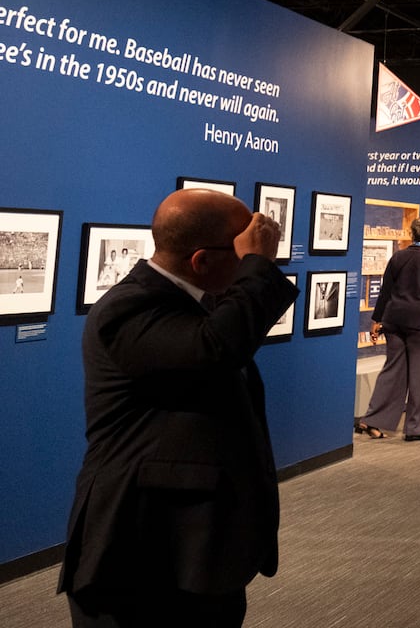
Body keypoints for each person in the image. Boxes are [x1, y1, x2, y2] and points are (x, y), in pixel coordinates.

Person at [58, 189, 295, 628]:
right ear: (202, 262)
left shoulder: (194, 304)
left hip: (194, 549)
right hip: (138, 551)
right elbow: (216, 350)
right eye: (241, 254)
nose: (247, 263)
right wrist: (259, 269)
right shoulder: (128, 308)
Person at [356, 217, 420, 441]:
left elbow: (385, 292)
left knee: (392, 372)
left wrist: (376, 320)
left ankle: (372, 420)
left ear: (412, 234)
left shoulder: (398, 257)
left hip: (395, 322)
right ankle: (416, 429)